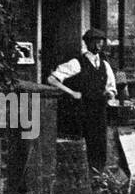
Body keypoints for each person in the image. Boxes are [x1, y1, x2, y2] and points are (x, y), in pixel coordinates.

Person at [48, 29, 118, 171]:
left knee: (100, 147)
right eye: (95, 41)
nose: (98, 45)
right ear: (87, 43)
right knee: (84, 148)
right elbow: (52, 79)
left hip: (100, 112)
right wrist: (72, 92)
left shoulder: (105, 65)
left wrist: (110, 93)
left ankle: (98, 178)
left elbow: (112, 87)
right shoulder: (77, 63)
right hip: (83, 112)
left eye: (101, 41)